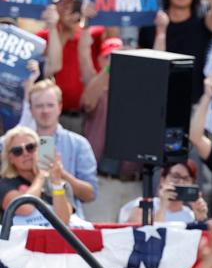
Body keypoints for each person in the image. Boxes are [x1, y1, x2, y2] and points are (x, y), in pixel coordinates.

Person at [78, 36, 142, 222]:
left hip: (134, 183)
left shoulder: (143, 94)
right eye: (108, 57)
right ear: (101, 60)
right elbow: (87, 101)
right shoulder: (101, 92)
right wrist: (111, 67)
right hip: (103, 181)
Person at [139, 0, 212, 103]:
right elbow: (145, 66)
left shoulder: (203, 25)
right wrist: (161, 32)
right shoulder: (150, 27)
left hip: (194, 102)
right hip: (159, 101)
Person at [26, 80, 97, 219]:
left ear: (59, 107)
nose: (45, 111)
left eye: (50, 105)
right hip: (23, 224)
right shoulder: (13, 143)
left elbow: (90, 194)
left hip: (68, 224)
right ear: (31, 110)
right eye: (39, 106)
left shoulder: (78, 144)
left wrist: (61, 174)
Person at [37, 0, 104, 133]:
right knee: (45, 153)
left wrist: (88, 18)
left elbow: (111, 37)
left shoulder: (88, 34)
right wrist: (60, 30)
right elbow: (51, 65)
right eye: (63, 3)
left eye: (72, 3)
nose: (68, 7)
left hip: (78, 117)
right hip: (47, 115)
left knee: (75, 153)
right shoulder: (42, 36)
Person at [0, 126, 71, 226]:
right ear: (10, 158)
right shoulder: (4, 184)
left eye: (30, 147)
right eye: (17, 151)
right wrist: (41, 175)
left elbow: (63, 221)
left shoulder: (60, 184)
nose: (25, 153)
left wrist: (56, 181)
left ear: (40, 149)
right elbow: (24, 207)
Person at [119, 161, 208, 224]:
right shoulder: (143, 205)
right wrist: (162, 207)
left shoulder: (191, 215)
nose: (181, 182)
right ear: (162, 180)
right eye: (175, 177)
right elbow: (141, 238)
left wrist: (200, 220)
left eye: (186, 179)